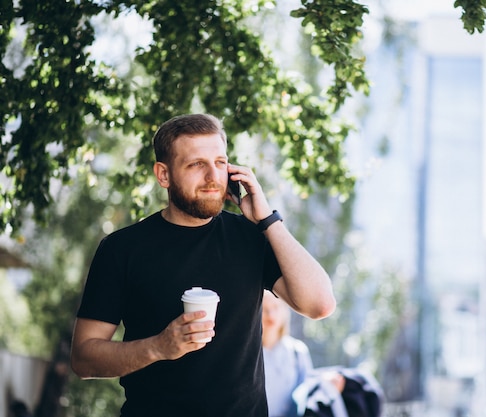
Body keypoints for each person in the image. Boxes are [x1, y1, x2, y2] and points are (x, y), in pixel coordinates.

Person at [70, 113, 336, 417]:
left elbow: (320, 304)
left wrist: (268, 220)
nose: (213, 176)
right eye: (197, 164)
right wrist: (159, 347)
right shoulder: (122, 249)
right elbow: (83, 358)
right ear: (164, 175)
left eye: (220, 162)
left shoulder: (251, 237)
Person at [262, 290, 314, 417]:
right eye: (264, 309)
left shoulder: (297, 352)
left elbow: (307, 392)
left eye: (276, 307)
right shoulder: (248, 354)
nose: (270, 314)